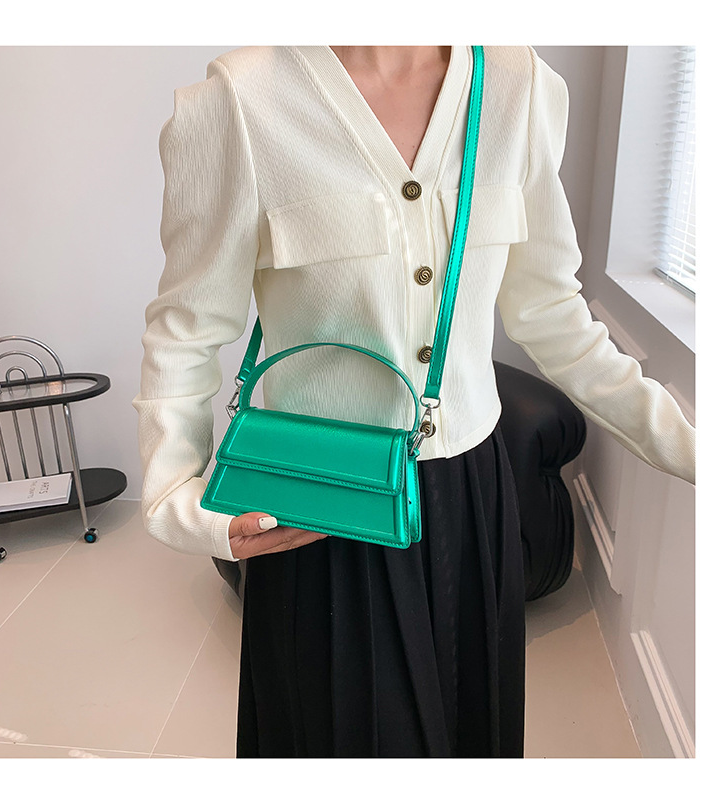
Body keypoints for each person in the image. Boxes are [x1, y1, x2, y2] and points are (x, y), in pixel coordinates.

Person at [131, 46, 695, 758]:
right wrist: (179, 503)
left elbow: (553, 314)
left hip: (474, 500)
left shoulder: (518, 86)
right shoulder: (241, 101)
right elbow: (186, 330)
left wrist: (692, 449)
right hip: (323, 510)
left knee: (474, 738)